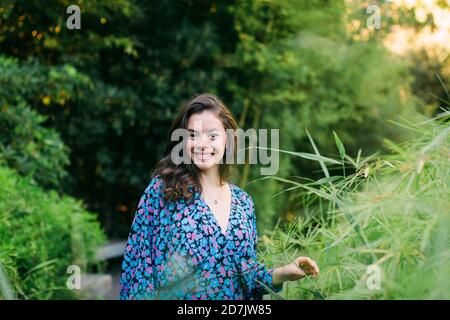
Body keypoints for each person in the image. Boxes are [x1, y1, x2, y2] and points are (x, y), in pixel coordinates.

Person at [119, 93, 319, 300]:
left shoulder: (243, 203)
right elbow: (138, 271)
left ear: (228, 139)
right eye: (193, 135)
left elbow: (246, 277)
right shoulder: (162, 192)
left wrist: (283, 273)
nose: (202, 144)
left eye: (212, 136)